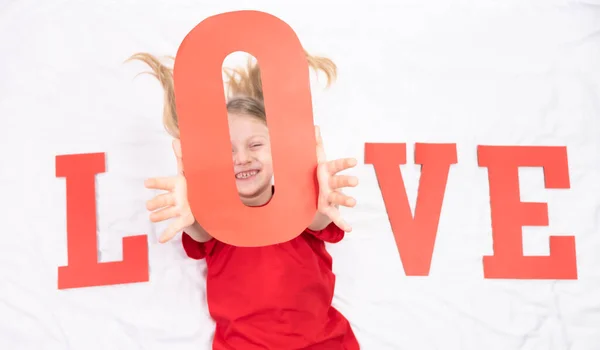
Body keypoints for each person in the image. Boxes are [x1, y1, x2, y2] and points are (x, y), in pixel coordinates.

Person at [129, 51, 360, 349]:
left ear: (277, 148)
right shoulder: (215, 217)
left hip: (324, 342)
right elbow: (200, 233)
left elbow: (318, 219)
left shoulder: (299, 205)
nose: (243, 158)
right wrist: (190, 213)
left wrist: (323, 200)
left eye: (255, 144)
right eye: (229, 151)